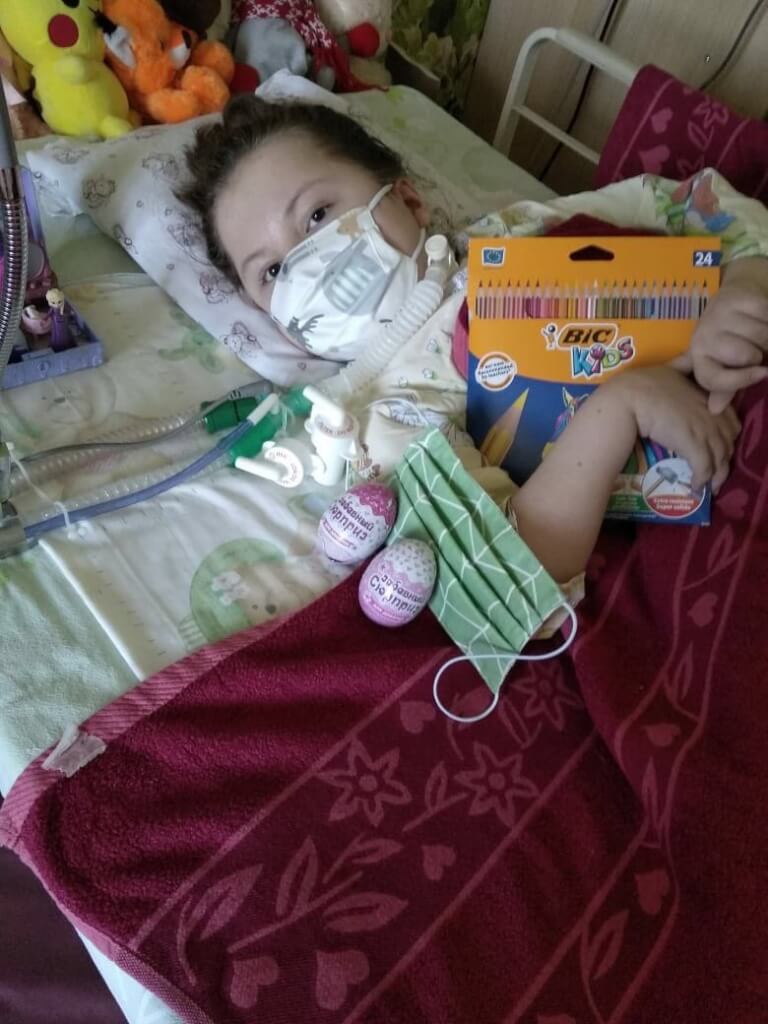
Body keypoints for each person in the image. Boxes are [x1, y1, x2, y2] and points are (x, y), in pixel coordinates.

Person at [179, 94, 768, 586]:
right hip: (714, 493)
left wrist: (746, 281)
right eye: (273, 271)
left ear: (408, 199)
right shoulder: (389, 425)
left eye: (315, 216)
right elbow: (520, 560)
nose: (310, 266)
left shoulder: (512, 234)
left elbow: (685, 201)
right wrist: (626, 405)